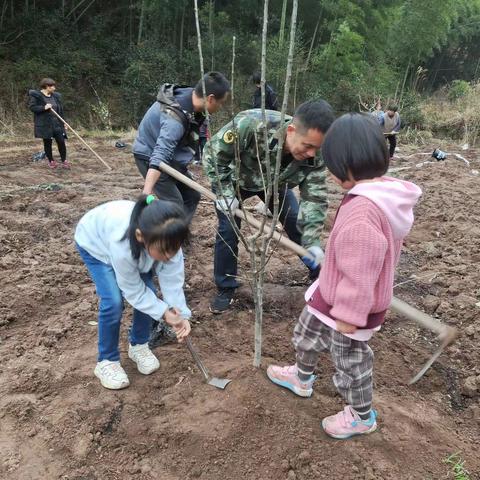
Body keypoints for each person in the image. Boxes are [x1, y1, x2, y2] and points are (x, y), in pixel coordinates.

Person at [267, 113, 422, 439]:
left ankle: (361, 415)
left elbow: (362, 266)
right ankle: (302, 377)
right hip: (334, 291)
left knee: (350, 360)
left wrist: (350, 314)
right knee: (307, 328)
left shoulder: (363, 211)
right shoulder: (380, 193)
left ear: (345, 168)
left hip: (353, 304)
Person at [203, 100, 335, 313]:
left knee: (293, 219)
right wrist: (225, 193)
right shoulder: (251, 124)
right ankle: (226, 286)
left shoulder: (315, 153)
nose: (312, 153)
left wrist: (312, 239)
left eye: (317, 148)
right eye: (308, 146)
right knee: (228, 229)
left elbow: (315, 198)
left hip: (274, 184)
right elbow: (213, 154)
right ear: (291, 130)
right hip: (235, 180)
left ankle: (319, 271)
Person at [75, 195, 192, 390]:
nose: (169, 257)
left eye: (173, 250)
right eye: (163, 252)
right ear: (140, 236)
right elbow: (133, 290)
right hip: (94, 243)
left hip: (136, 247)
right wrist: (164, 313)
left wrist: (180, 313)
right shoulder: (123, 248)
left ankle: (139, 345)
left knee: (150, 293)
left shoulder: (169, 240)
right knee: (113, 301)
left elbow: (172, 281)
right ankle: (106, 361)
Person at [133, 72, 230, 223]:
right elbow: (160, 154)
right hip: (150, 156)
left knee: (192, 196)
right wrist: (147, 191)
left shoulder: (193, 100)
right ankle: (166, 239)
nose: (221, 106)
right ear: (210, 98)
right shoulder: (175, 120)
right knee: (175, 205)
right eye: (221, 102)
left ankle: (179, 234)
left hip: (170, 158)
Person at [28, 78, 69, 169]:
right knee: (47, 143)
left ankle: (64, 161)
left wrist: (64, 122)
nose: (54, 88)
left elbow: (60, 110)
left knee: (61, 142)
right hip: (45, 125)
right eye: (52, 86)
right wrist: (44, 107)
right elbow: (32, 108)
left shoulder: (55, 96)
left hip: (57, 124)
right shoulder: (37, 96)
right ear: (46, 86)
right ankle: (51, 161)